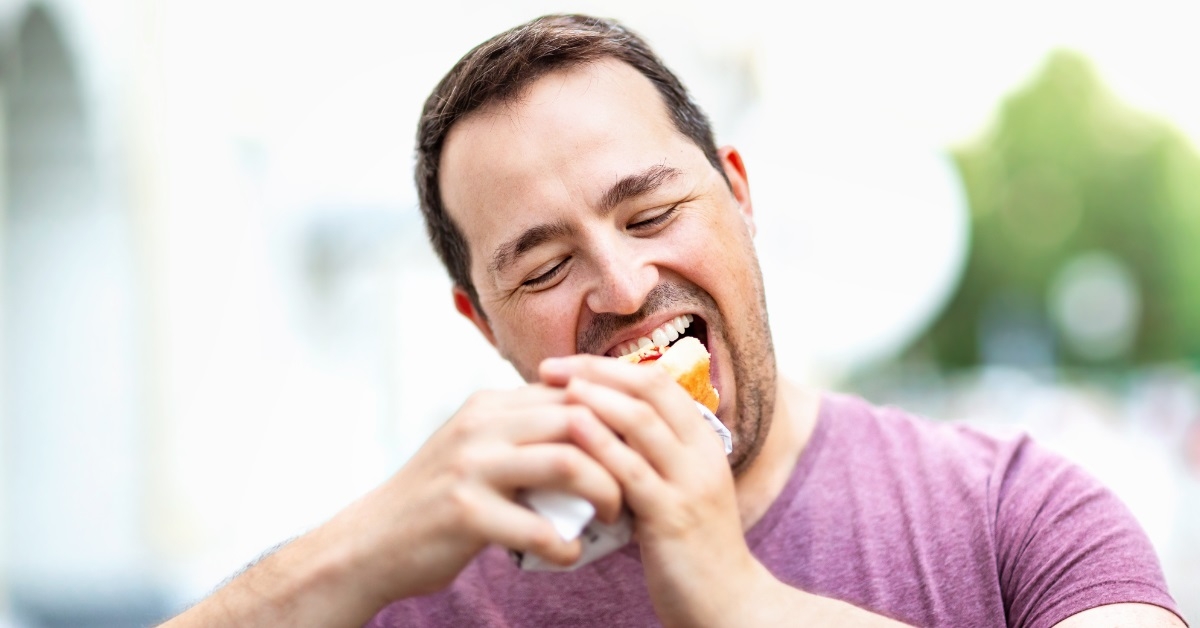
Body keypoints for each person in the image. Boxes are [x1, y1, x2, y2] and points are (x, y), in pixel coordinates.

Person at [163, 14, 1186, 627]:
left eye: (650, 212)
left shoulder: (1015, 511)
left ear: (740, 196)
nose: (618, 283)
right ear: (481, 324)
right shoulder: (427, 591)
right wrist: (355, 551)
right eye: (546, 265)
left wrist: (742, 601)